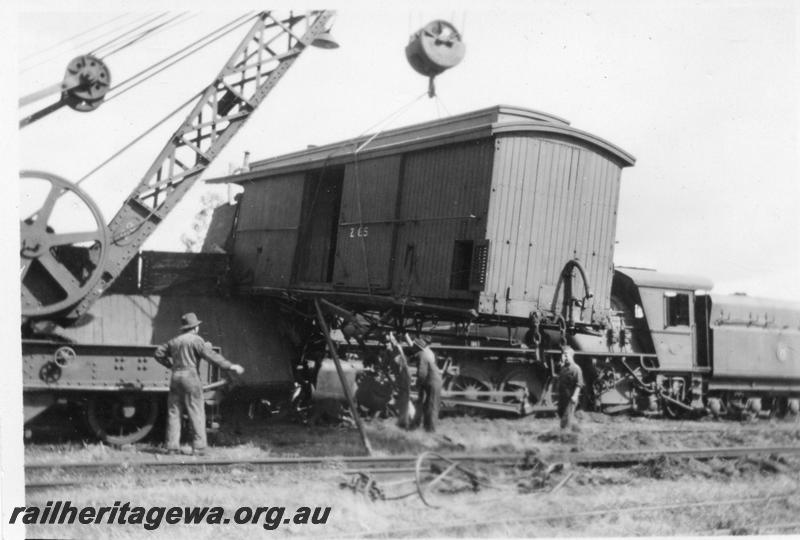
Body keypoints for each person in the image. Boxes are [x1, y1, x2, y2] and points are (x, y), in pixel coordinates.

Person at [154, 312, 245, 455]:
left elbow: (158, 353)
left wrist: (169, 365)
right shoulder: (196, 341)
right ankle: (199, 447)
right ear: (195, 328)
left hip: (175, 377)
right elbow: (211, 356)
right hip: (191, 377)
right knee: (196, 411)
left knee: (174, 412)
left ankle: (172, 447)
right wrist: (230, 366)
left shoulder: (175, 341)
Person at [411, 336, 442, 432]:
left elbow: (421, 373)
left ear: (418, 347)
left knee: (431, 405)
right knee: (428, 405)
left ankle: (430, 429)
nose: (412, 347)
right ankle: (426, 427)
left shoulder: (422, 354)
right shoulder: (426, 353)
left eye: (414, 346)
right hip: (431, 381)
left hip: (432, 382)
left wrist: (417, 386)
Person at [556, 346, 584, 431]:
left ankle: (567, 436)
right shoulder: (563, 368)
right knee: (561, 415)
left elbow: (579, 384)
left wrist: (575, 396)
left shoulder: (576, 368)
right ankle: (574, 430)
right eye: (562, 355)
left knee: (566, 418)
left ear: (571, 356)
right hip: (563, 397)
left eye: (566, 355)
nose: (563, 357)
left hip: (570, 398)